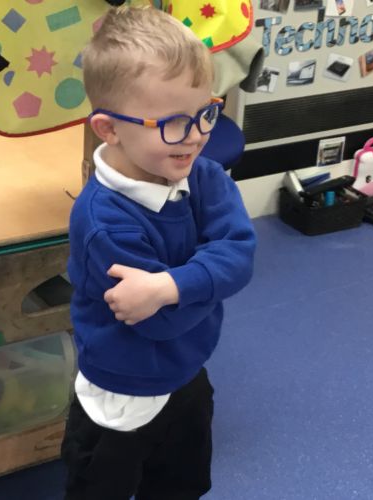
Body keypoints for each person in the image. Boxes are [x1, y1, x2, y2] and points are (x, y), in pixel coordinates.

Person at [61, 6, 256, 499]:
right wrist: (211, 276)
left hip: (187, 372)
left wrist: (171, 285)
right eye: (171, 122)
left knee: (181, 484)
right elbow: (160, 321)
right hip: (121, 394)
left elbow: (241, 254)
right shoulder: (103, 222)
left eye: (205, 113)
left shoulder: (201, 173)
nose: (196, 136)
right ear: (109, 129)